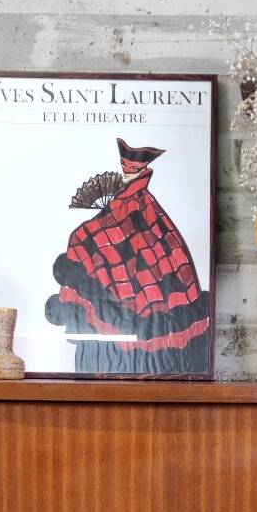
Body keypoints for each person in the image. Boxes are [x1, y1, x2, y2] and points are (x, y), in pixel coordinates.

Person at [45, 138, 211, 376]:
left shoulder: (146, 204)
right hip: (118, 268)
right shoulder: (123, 203)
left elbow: (140, 228)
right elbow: (113, 222)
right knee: (85, 239)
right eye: (125, 166)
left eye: (133, 167)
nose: (127, 171)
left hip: (139, 274)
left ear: (142, 168)